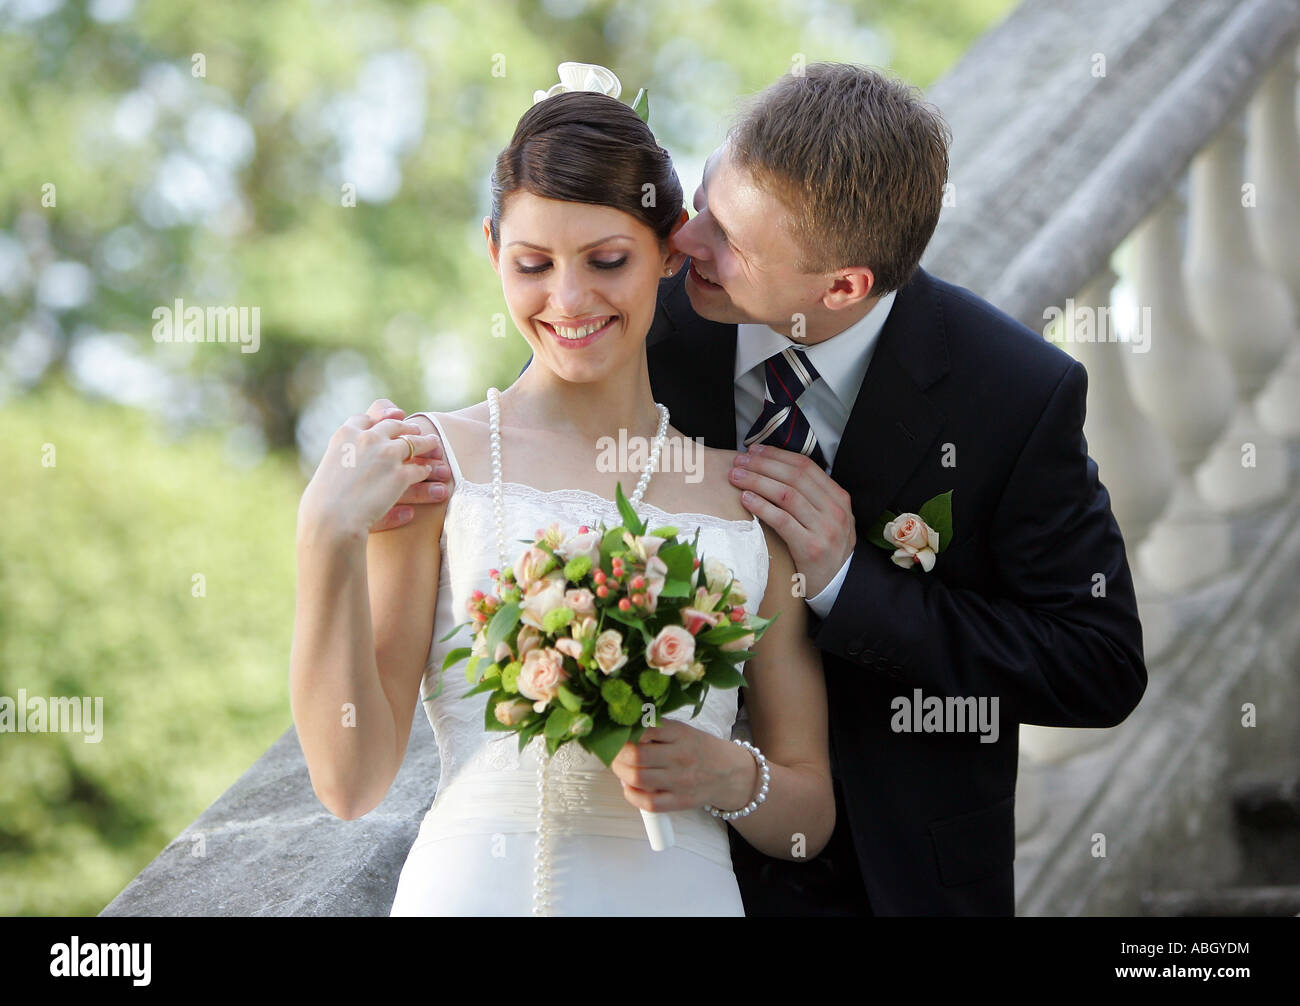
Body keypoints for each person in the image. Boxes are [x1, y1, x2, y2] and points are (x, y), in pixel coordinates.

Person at [382, 62, 1148, 916]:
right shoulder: (633, 312)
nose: (687, 238)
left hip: (897, 873)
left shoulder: (1010, 392)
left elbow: (1101, 665)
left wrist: (850, 586)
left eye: (732, 243)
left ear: (843, 286)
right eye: (707, 196)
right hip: (658, 864)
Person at [290, 73, 835, 916]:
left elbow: (809, 816)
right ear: (491, 249)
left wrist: (726, 772)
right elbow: (351, 784)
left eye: (608, 261)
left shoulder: (745, 502)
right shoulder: (437, 471)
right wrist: (325, 535)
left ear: (669, 247)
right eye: (532, 265)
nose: (569, 301)